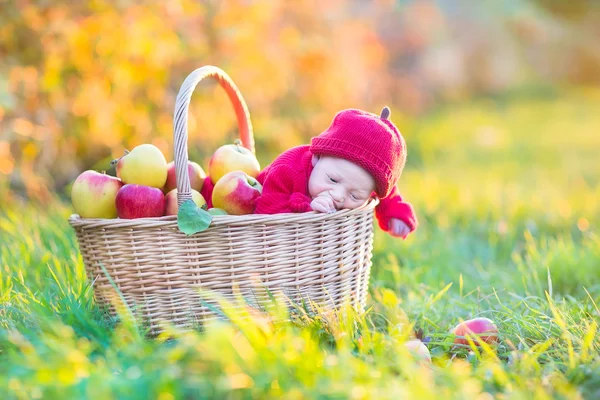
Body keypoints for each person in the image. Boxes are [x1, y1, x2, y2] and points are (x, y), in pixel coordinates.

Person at [201, 106, 417, 238]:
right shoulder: (287, 169)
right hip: (233, 207)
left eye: (355, 195)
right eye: (332, 179)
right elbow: (265, 212)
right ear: (316, 157)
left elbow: (383, 191)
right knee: (206, 194)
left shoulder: (357, 180)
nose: (340, 195)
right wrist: (306, 208)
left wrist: (395, 212)